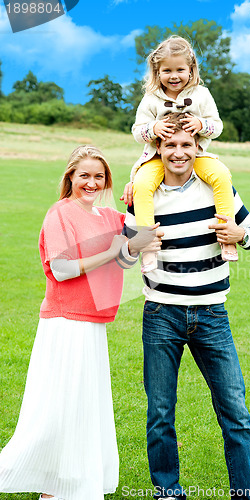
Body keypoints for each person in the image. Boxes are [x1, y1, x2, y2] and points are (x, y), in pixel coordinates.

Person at [0, 145, 161, 500]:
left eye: (99, 176)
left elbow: (125, 260)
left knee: (83, 407)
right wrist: (115, 250)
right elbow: (62, 269)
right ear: (70, 176)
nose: (92, 182)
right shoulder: (60, 214)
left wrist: (136, 205)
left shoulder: (107, 217)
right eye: (84, 175)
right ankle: (46, 485)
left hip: (93, 323)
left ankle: (66, 485)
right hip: (64, 323)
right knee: (58, 406)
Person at [123, 113, 250, 500]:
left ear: (198, 148)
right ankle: (167, 492)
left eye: (187, 145)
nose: (179, 152)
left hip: (212, 314)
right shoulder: (144, 196)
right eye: (171, 145)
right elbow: (122, 256)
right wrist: (134, 244)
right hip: (161, 315)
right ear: (158, 149)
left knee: (235, 413)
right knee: (160, 415)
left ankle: (245, 493)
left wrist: (241, 235)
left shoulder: (217, 189)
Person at [130, 35, 238, 272]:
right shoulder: (151, 99)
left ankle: (227, 238)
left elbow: (217, 126)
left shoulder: (201, 94)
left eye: (180, 69)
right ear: (157, 73)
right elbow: (137, 131)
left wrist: (201, 125)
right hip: (157, 159)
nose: (174, 76)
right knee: (142, 184)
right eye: (167, 71)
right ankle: (148, 247)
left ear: (191, 70)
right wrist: (153, 128)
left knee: (221, 174)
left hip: (195, 156)